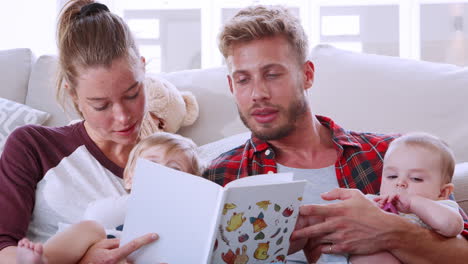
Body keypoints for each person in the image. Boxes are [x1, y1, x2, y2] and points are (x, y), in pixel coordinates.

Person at [203, 5, 468, 263]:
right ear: (231, 85)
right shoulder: (219, 176)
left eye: (272, 75)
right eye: (243, 80)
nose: (258, 93)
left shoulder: (397, 155)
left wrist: (392, 232)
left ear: (307, 75)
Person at [0, 1, 160, 262]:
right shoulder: (34, 145)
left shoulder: (168, 160)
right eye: (101, 105)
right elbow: (3, 245)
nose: (122, 116)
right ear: (72, 94)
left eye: (132, 95)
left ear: (143, 68)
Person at [16, 132, 203, 264]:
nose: (162, 174)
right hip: (110, 244)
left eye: (175, 170)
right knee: (89, 228)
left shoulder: (186, 215)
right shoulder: (121, 205)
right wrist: (141, 199)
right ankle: (44, 259)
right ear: (129, 179)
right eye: (153, 165)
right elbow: (96, 215)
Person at [316, 132, 464, 264]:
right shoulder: (371, 201)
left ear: (443, 192)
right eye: (392, 176)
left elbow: (452, 226)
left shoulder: (440, 206)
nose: (400, 183)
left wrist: (414, 203)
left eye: (416, 178)